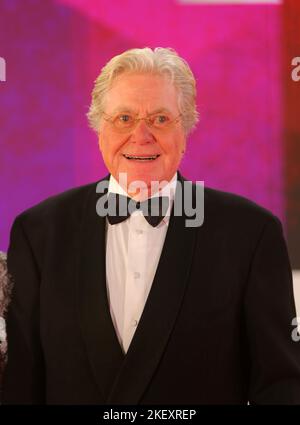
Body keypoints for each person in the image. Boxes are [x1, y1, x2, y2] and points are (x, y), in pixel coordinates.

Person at [2, 47, 300, 405]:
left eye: (160, 119)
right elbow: (20, 384)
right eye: (124, 118)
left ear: (186, 127)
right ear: (98, 127)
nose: (141, 136)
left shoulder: (251, 234)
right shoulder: (38, 233)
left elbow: (281, 387)